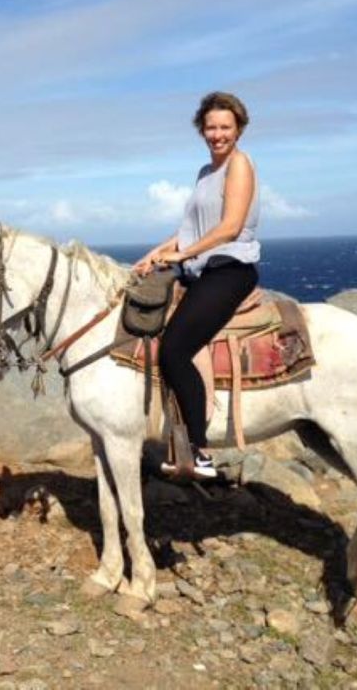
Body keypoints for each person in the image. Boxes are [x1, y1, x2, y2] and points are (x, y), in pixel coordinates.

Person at [134, 92, 260, 478]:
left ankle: (198, 450)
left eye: (225, 127)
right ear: (201, 130)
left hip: (230, 268)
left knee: (174, 349)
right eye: (211, 127)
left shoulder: (240, 165)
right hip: (203, 267)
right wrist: (154, 254)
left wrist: (183, 255)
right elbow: (188, 231)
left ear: (239, 129)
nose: (218, 134)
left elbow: (230, 227)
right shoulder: (206, 172)